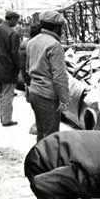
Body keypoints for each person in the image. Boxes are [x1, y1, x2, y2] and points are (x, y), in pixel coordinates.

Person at [25, 10, 69, 140]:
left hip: (35, 92)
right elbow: (59, 76)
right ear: (57, 27)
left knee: (41, 132)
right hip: (48, 95)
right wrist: (64, 99)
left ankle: (40, 158)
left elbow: (27, 68)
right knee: (51, 136)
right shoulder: (54, 45)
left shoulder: (32, 42)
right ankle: (48, 160)